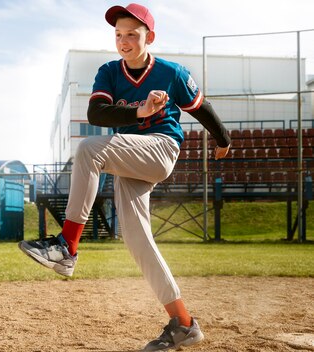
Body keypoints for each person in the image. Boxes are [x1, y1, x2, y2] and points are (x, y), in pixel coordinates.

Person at [18, 3, 231, 351]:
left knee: (89, 149)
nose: (124, 40)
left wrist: (223, 139)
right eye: (118, 34)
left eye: (132, 33)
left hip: (160, 149)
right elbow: (96, 111)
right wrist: (140, 109)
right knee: (136, 237)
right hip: (129, 155)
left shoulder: (171, 72)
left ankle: (67, 247)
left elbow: (201, 107)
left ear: (150, 37)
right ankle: (184, 323)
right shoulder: (109, 72)